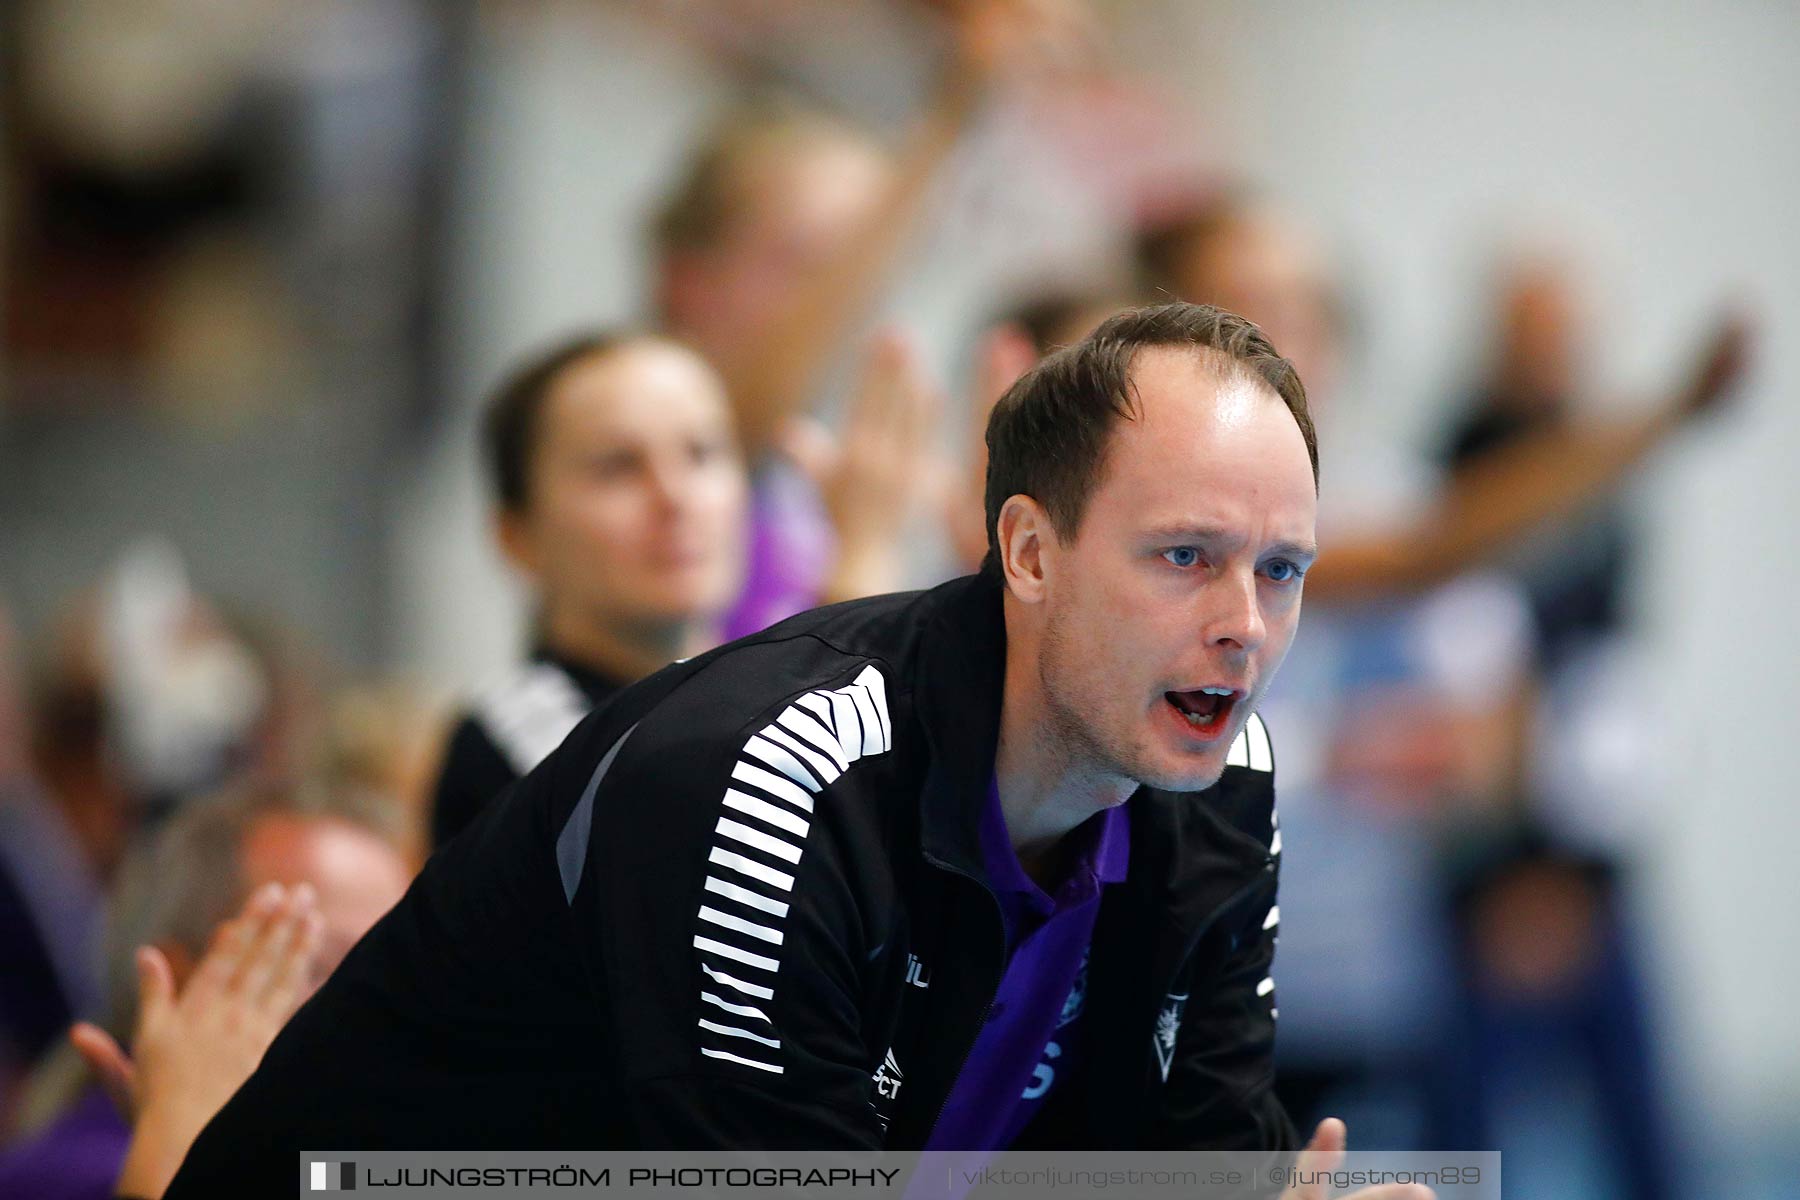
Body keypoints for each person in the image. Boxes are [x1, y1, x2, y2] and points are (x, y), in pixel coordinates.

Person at [164, 304, 1428, 1200]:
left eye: (1282, 571)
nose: (1244, 627)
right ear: (1032, 554)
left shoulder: (1218, 777)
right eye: (1185, 558)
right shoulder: (775, 780)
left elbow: (1196, 1160)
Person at [0, 784, 412, 1199]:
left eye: (403, 970)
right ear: (176, 986)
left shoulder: (334, 1165)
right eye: (323, 966)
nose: (394, 1009)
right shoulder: (68, 1176)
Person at [427, 333, 750, 848]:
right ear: (518, 536)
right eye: (617, 466)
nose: (675, 496)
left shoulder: (766, 693)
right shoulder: (513, 744)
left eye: (702, 452)